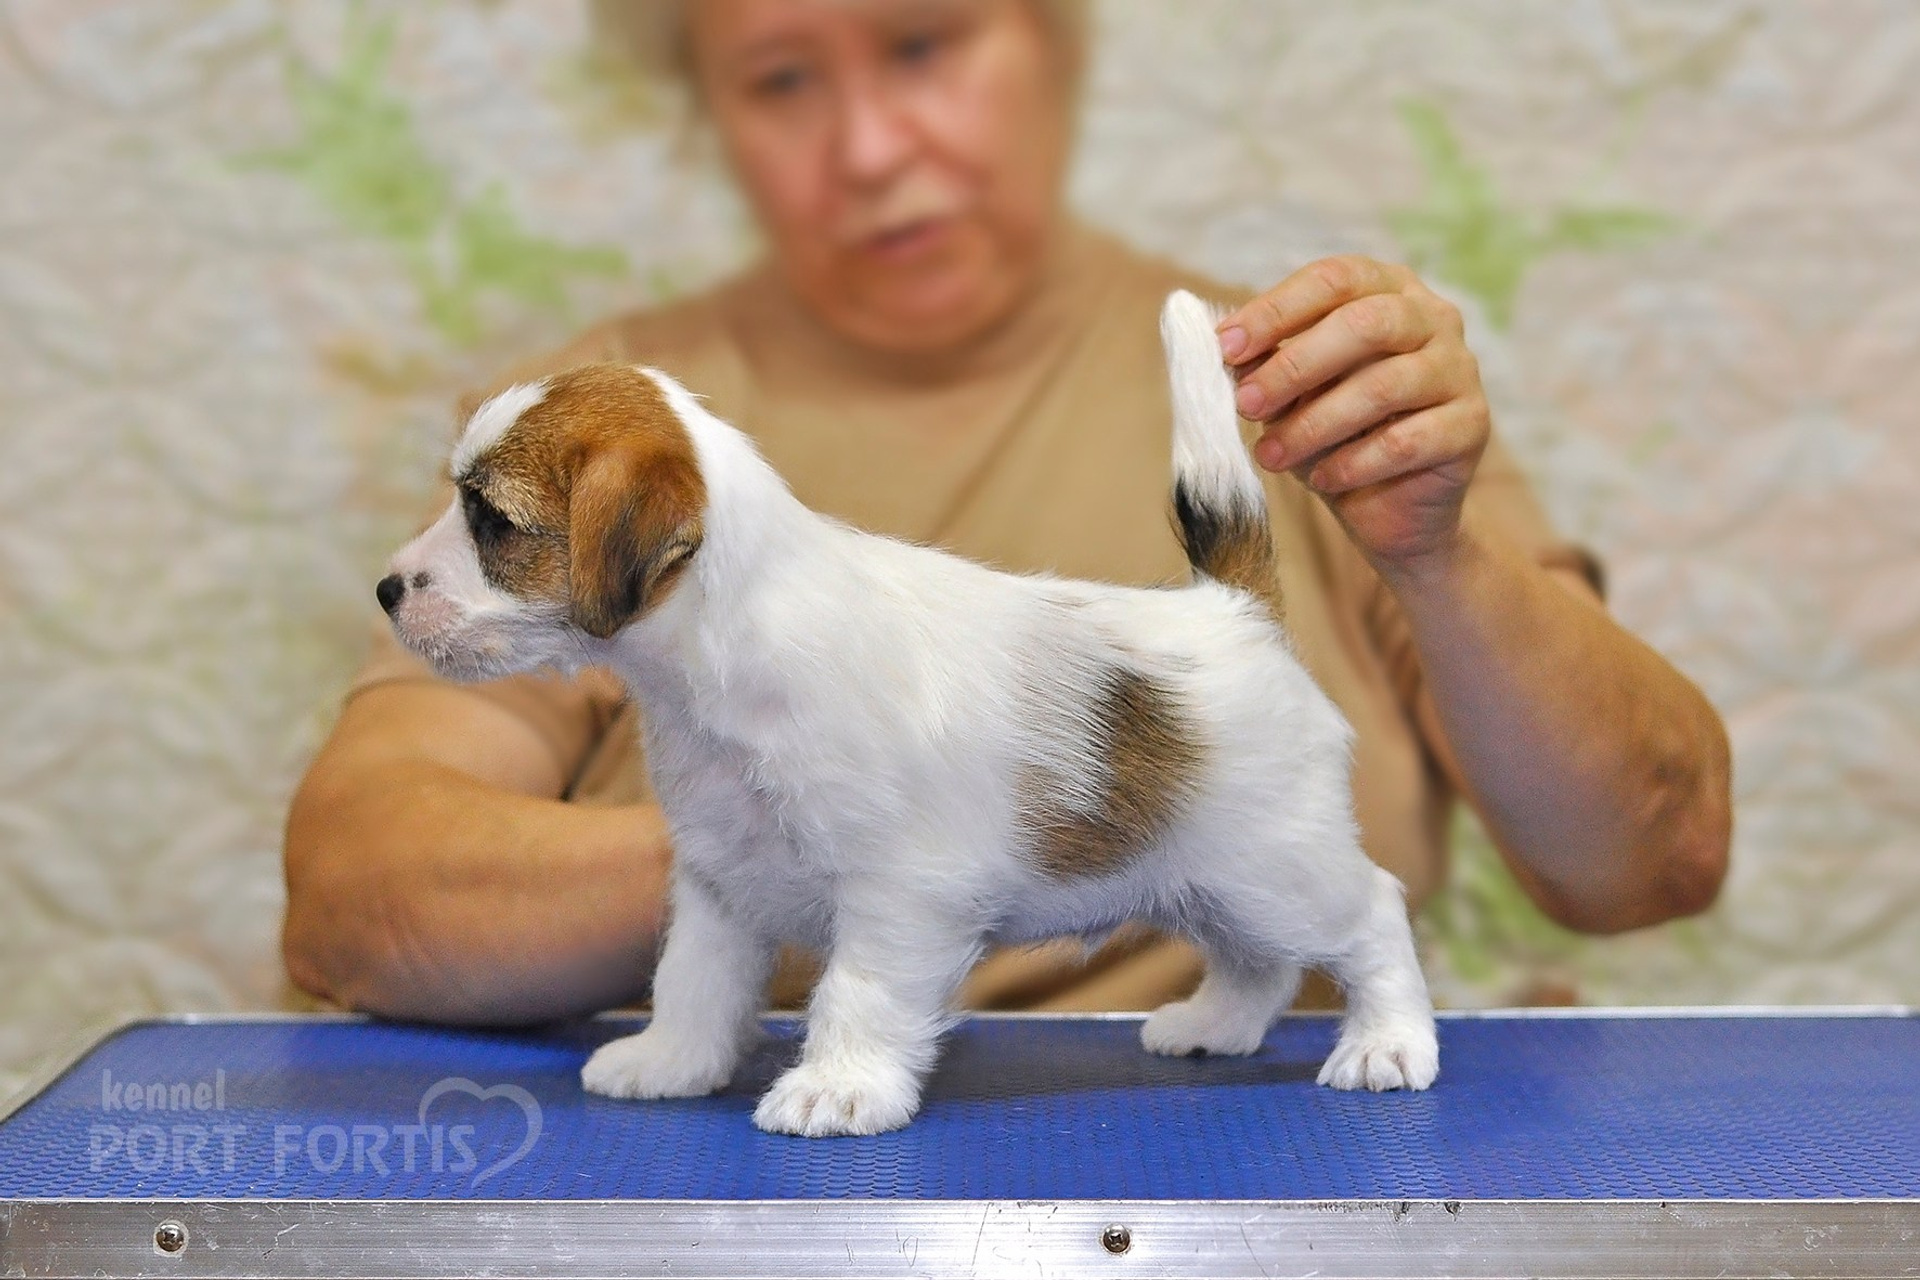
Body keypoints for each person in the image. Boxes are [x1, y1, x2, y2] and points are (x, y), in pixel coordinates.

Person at [282, 0, 1731, 1026]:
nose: (867, 145)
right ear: (711, 117)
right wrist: (802, 827)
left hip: (1252, 1149)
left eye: (924, 41)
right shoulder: (597, 433)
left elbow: (1654, 856)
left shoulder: (1300, 392)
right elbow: (360, 901)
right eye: (780, 77)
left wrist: (1439, 552)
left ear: (1054, 45)